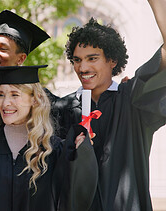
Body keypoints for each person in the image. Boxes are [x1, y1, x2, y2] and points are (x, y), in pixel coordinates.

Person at [52, 0, 166, 210]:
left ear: (112, 60)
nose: (82, 67)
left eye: (92, 58)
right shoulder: (62, 109)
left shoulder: (132, 101)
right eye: (77, 60)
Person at [0, 65, 98, 211]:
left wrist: (82, 156)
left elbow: (72, 199)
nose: (5, 103)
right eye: (1, 95)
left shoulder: (53, 149)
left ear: (34, 100)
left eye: (14, 95)